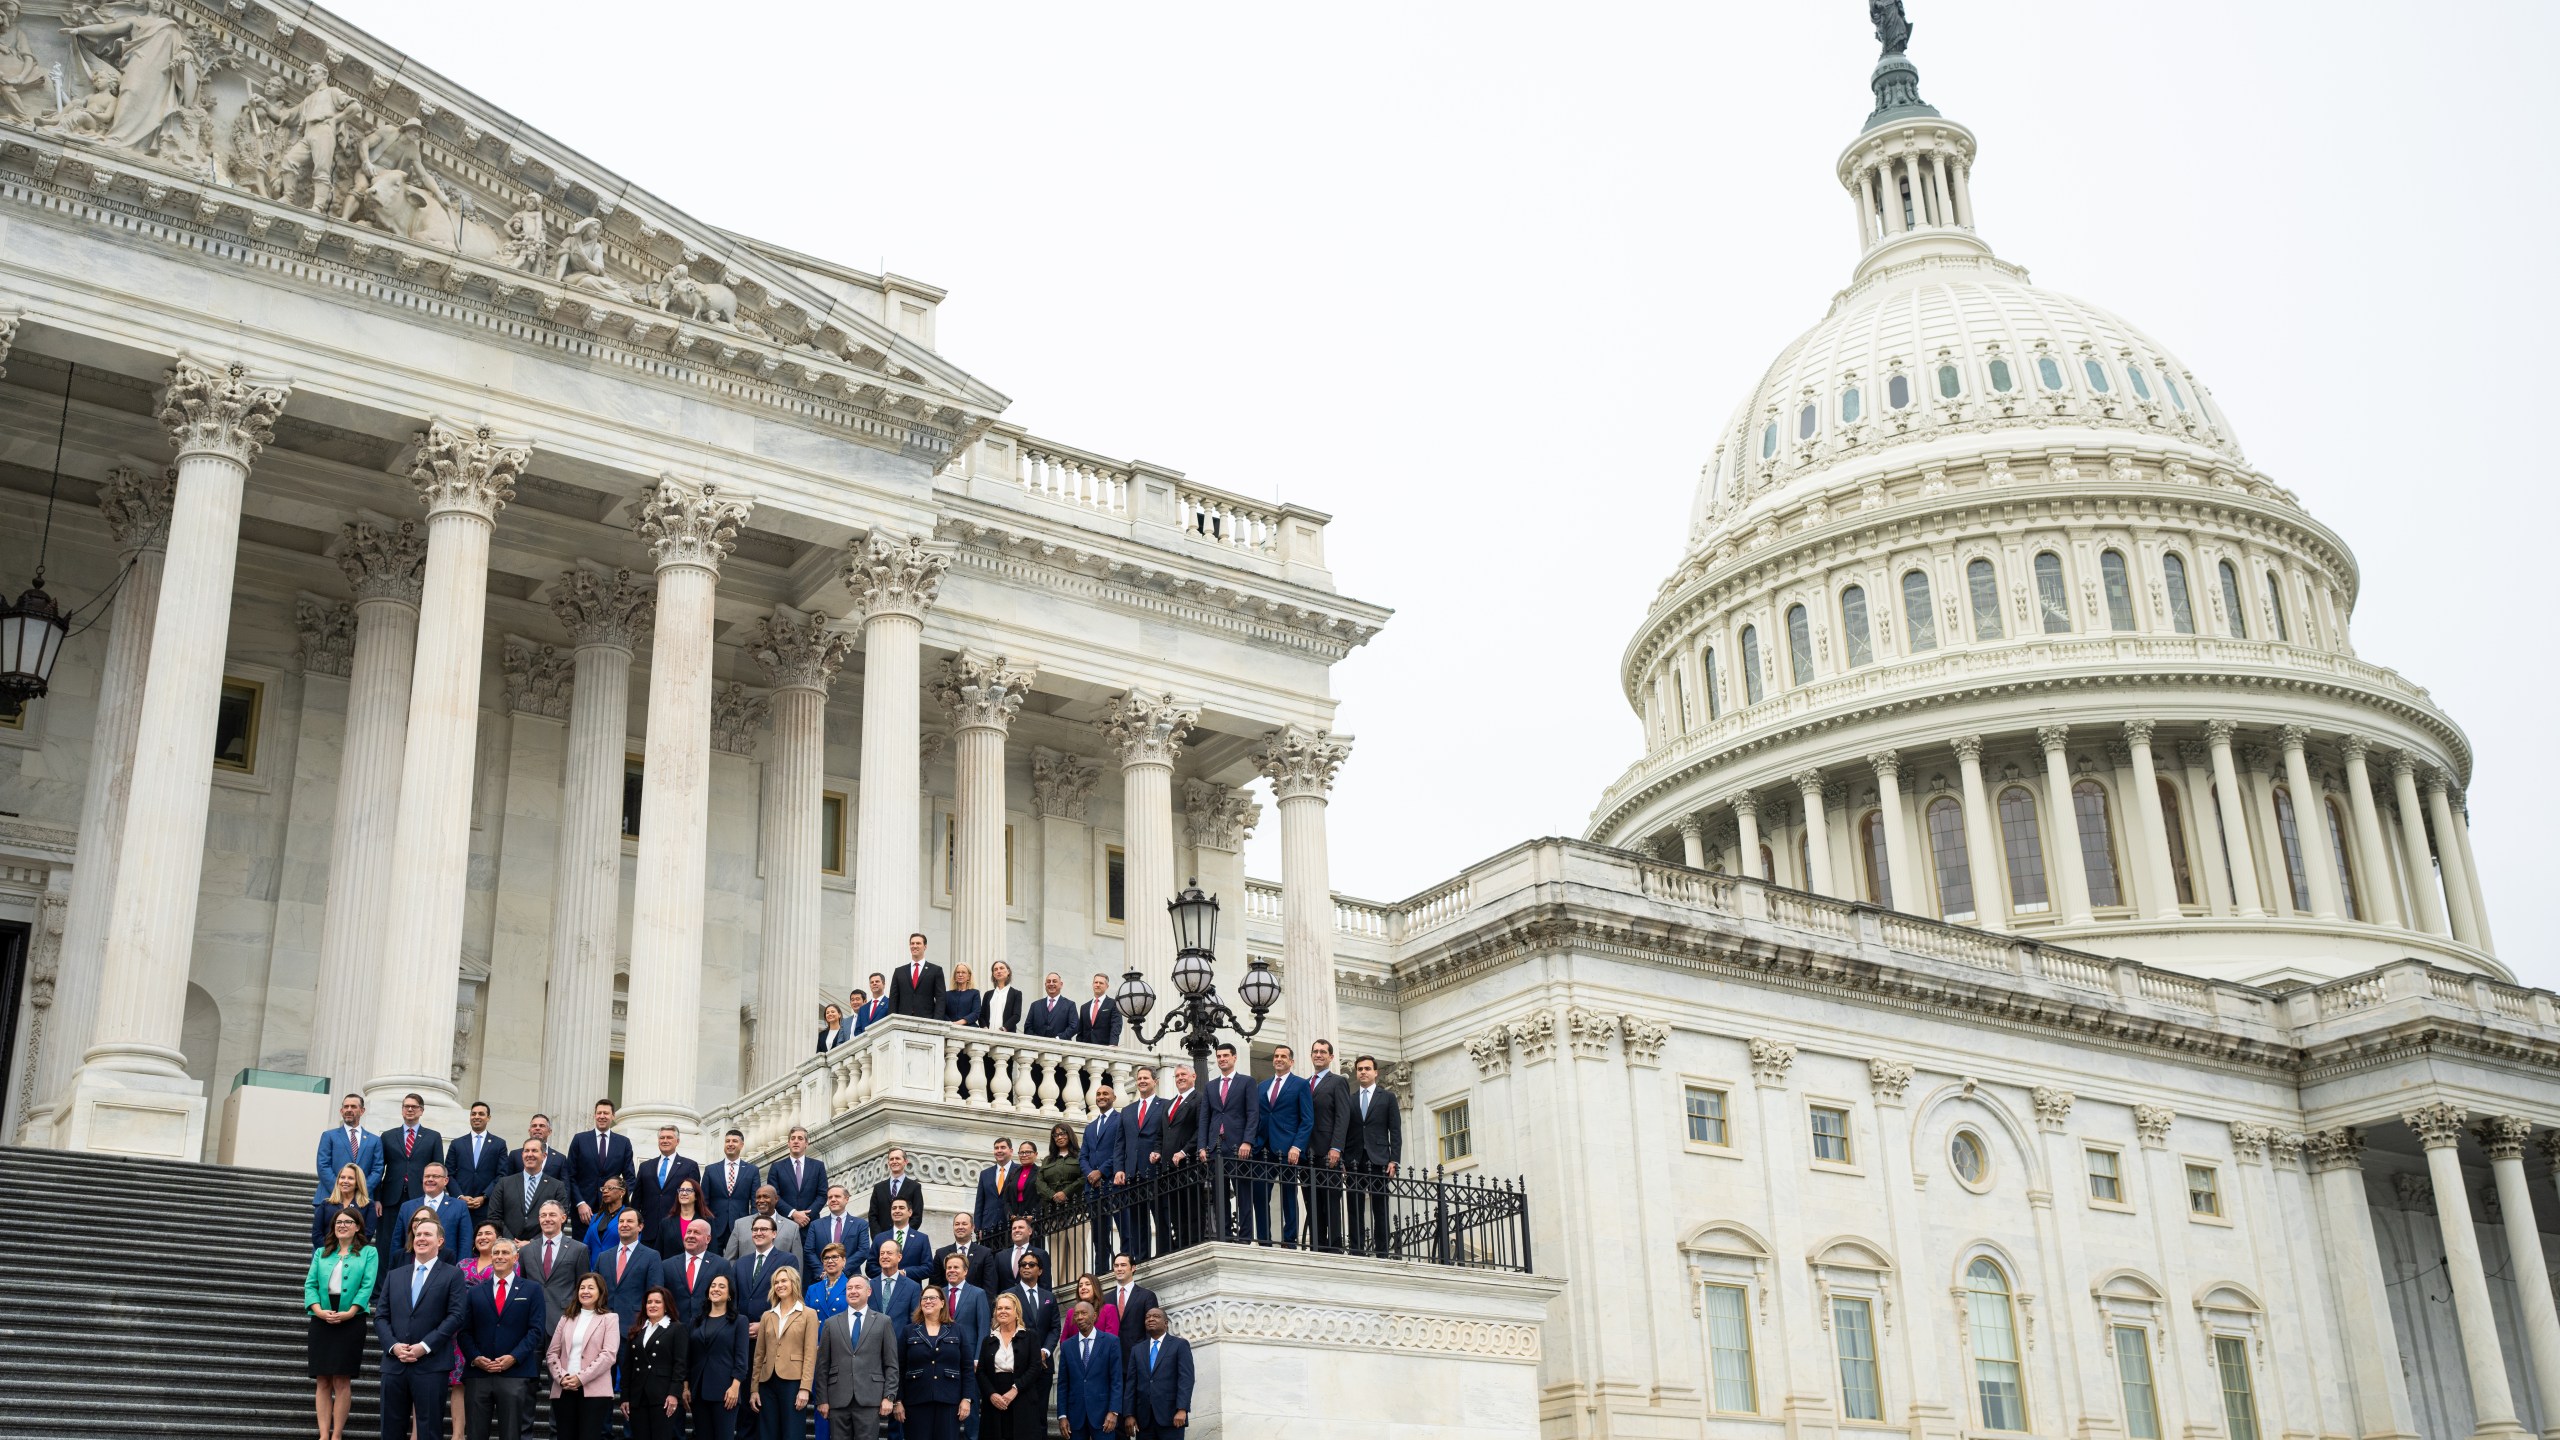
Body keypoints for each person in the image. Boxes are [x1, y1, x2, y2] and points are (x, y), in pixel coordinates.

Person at [378, 1214, 468, 1440]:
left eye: (427, 1234)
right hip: (394, 1363)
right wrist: (393, 1346)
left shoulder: (453, 1274)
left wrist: (425, 1346)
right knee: (390, 1429)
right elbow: (381, 1317)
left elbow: (456, 1316)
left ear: (440, 1241)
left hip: (431, 1364)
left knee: (429, 1430)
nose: (421, 1238)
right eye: (417, 1234)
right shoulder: (394, 1275)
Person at [305, 1205, 378, 1440]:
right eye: (338, 1222)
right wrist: (318, 1310)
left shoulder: (368, 1252)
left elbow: (368, 1285)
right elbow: (311, 1285)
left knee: (342, 1379)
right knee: (323, 1379)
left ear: (357, 1227)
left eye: (347, 1222)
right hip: (321, 1318)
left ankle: (337, 1435)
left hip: (351, 1319)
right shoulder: (322, 1253)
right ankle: (323, 1435)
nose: (342, 1225)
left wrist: (350, 1312)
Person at [460, 1235, 542, 1440]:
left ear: (515, 1258)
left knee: (512, 1434)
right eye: (496, 1253)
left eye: (505, 1252)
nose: (499, 1256)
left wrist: (513, 1358)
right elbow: (464, 1331)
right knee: (476, 1434)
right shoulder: (475, 1292)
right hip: (479, 1374)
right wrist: (475, 1357)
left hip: (514, 1373)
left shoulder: (532, 1290)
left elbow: (536, 1330)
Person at [813, 1274, 899, 1440]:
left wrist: (889, 1396)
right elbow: (823, 1365)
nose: (852, 1291)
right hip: (838, 1398)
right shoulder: (831, 1323)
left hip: (869, 1398)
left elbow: (891, 1364)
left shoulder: (883, 1321)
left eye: (857, 1287)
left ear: (869, 1291)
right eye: (849, 1288)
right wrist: (822, 1399)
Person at [1250, 1044, 1312, 1247]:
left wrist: (1297, 1147)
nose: (1278, 1059)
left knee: (1288, 1194)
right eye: (1276, 1056)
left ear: (1291, 1061)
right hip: (1263, 1147)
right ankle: (1264, 1239)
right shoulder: (1263, 1086)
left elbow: (1307, 1120)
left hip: (1288, 1148)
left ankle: (1290, 1238)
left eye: (1283, 1056)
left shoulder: (1301, 1084)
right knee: (1260, 1195)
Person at [544, 1273, 620, 1440]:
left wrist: (580, 1378)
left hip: (594, 1392)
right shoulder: (566, 1318)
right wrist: (561, 1377)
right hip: (564, 1389)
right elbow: (552, 1353)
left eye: (591, 1288)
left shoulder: (610, 1319)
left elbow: (609, 1355)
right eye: (582, 1288)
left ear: (600, 1292)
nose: (585, 1291)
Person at [1198, 1043, 1260, 1240]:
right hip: (1216, 1146)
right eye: (1219, 1056)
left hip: (1238, 1145)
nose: (1222, 1059)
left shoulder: (1247, 1082)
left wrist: (1248, 1141)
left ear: (1234, 1058)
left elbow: (1252, 1113)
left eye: (1226, 1055)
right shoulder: (1210, 1086)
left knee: (1242, 1192)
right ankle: (1223, 1235)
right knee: (1219, 1194)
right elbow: (1205, 1118)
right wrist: (1202, 1146)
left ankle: (1245, 1236)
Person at [894, 1287, 971, 1440]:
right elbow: (898, 1368)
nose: (928, 1301)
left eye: (933, 1298)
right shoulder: (909, 1331)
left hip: (949, 1401)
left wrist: (966, 1398)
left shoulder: (957, 1330)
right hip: (916, 1400)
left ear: (942, 1303)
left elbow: (967, 1368)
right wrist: (898, 1400)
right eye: (924, 1298)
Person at [751, 1265, 818, 1439]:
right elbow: (759, 1355)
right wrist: (754, 1389)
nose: (779, 1285)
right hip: (767, 1382)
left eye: (784, 1281)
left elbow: (810, 1354)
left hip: (793, 1382)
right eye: (776, 1282)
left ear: (794, 1282)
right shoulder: (767, 1315)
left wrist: (805, 1388)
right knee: (767, 1433)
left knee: (792, 1433)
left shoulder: (808, 1314)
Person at [1344, 1054, 1402, 1258]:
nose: (1363, 1072)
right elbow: (1344, 1130)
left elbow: (1395, 1130)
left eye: (1367, 1069)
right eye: (1359, 1069)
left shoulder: (1387, 1097)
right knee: (1354, 1205)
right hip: (1354, 1158)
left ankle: (1382, 1250)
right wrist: (1343, 1159)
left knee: (1380, 1206)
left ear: (1375, 1072)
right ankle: (1357, 1249)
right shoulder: (1349, 1099)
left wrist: (1394, 1159)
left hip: (1379, 1158)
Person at [380, 1092, 446, 1259]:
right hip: (390, 1198)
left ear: (421, 1110)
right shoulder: (387, 1136)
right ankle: (383, 1283)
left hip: (420, 1198)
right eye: (406, 1106)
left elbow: (438, 1167)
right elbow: (380, 1168)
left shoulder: (433, 1137)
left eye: (414, 1107)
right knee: (386, 1242)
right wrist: (377, 1198)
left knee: (416, 1239)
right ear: (402, 1110)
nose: (410, 1109)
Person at [449, 1222, 500, 1437]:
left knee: (480, 1384)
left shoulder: (506, 1264)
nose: (483, 1237)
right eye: (479, 1234)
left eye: (489, 1233)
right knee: (458, 1383)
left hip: (490, 1328)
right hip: (461, 1329)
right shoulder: (463, 1264)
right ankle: (457, 1434)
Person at [1303, 1039, 1353, 1254]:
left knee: (1331, 1199)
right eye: (1315, 1051)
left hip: (1328, 1150)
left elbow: (1343, 1116)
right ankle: (1317, 1244)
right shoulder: (1304, 1084)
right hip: (1307, 1152)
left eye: (1323, 1052)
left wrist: (1336, 1148)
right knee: (1311, 1200)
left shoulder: (1337, 1082)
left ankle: (1333, 1245)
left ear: (1331, 1057)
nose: (1319, 1055)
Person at [689, 1272, 754, 1440]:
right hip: (698, 1391)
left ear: (730, 1295)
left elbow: (741, 1359)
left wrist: (735, 1387)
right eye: (713, 1286)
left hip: (725, 1391)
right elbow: (689, 1356)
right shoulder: (696, 1321)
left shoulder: (739, 1321)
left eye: (721, 1286)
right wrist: (685, 1386)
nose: (716, 1289)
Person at [974, 1293, 1048, 1440]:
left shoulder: (1030, 1337)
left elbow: (1035, 1367)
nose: (1002, 1311)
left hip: (1023, 1398)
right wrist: (991, 1394)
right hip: (994, 1401)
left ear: (1016, 1312)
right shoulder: (987, 1340)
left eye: (1007, 1308)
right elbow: (981, 1372)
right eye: (999, 1308)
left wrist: (1015, 1389)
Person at [623, 1285, 691, 1440]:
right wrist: (625, 1397)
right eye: (649, 1302)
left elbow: (680, 1365)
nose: (652, 1305)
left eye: (657, 1302)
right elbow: (628, 1367)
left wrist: (674, 1394)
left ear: (666, 1306)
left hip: (663, 1396)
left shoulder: (676, 1329)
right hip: (638, 1396)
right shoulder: (637, 1330)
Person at [1118, 1309, 1190, 1440]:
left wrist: (1182, 1409)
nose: (1150, 1319)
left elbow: (1186, 1379)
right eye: (1147, 1317)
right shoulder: (1137, 1350)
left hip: (1171, 1416)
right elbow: (1131, 1384)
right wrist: (1129, 1414)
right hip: (1144, 1420)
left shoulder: (1179, 1345)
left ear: (1166, 1323)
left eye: (1156, 1316)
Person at [1052, 1301, 1118, 1440]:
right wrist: (1062, 1415)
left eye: (1084, 1313)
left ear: (1094, 1316)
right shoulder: (1067, 1346)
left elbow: (1116, 1380)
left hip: (1103, 1415)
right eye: (1076, 1314)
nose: (1080, 1317)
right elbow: (1063, 1383)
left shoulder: (1111, 1342)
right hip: (1075, 1417)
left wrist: (1114, 1411)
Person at [525, 1200, 590, 1334]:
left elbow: (582, 1286)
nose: (547, 1219)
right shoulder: (526, 1250)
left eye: (552, 1215)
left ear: (563, 1218)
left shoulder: (579, 1249)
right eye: (543, 1215)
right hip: (530, 1322)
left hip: (565, 1321)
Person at [568, 1100, 635, 1227]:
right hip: (583, 1211)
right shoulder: (579, 1140)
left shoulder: (623, 1143)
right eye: (599, 1113)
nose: (602, 1116)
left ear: (613, 1116)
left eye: (606, 1113)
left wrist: (619, 1200)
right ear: (594, 1115)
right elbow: (570, 1175)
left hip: (613, 1211)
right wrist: (579, 1203)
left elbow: (630, 1178)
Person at [1119, 1069, 1163, 1264]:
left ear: (1155, 1081)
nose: (1142, 1081)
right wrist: (1120, 1169)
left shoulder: (1164, 1105)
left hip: (1154, 1168)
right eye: (1139, 1079)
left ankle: (1162, 1253)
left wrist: (1158, 1151)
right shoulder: (1127, 1110)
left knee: (1159, 1214)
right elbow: (1120, 1143)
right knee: (1137, 1218)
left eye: (1146, 1078)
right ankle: (1140, 1257)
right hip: (1132, 1171)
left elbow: (1165, 1135)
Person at [1078, 1082, 1122, 1271]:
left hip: (1112, 1183)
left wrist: (1101, 1171)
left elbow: (1120, 1150)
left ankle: (1125, 1263)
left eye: (1106, 1094)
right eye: (1098, 1094)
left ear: (1114, 1098)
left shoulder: (1120, 1120)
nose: (1101, 1097)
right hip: (1093, 1187)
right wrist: (1089, 1173)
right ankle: (1101, 1268)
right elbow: (1083, 1156)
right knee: (1099, 1232)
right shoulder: (1090, 1127)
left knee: (1122, 1227)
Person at [491, 1137, 570, 1242]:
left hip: (540, 1248)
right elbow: (494, 1216)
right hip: (507, 1247)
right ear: (522, 1155)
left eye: (534, 1151)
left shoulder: (557, 1186)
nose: (529, 1154)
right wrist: (510, 1241)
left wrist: (533, 1242)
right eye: (526, 1151)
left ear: (544, 1156)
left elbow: (560, 1219)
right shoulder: (504, 1183)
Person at [445, 1101, 509, 1229]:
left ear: (488, 1118)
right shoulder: (457, 1144)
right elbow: (448, 1174)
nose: (476, 1117)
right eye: (473, 1114)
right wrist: (460, 1196)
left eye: (481, 1114)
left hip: (487, 1207)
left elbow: (502, 1174)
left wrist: (484, 1196)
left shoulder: (499, 1144)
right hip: (460, 1205)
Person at [315, 1092, 384, 1208]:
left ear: (362, 1111)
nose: (348, 1109)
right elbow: (323, 1165)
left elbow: (377, 1170)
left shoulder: (374, 1140)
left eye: (353, 1106)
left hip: (362, 1201)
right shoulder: (329, 1136)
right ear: (341, 1111)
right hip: (331, 1198)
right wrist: (340, 1190)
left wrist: (360, 1190)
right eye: (346, 1107)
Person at [635, 1125, 703, 1243]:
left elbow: (695, 1198)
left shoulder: (689, 1166)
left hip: (676, 1228)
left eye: (669, 1137)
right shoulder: (645, 1166)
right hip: (648, 1229)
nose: (665, 1141)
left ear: (677, 1141)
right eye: (662, 1138)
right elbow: (637, 1199)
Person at [659, 1218, 731, 1325]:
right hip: (675, 1329)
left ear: (708, 1239)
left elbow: (730, 1300)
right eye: (688, 1232)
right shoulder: (667, 1265)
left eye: (696, 1232)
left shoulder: (721, 1265)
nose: (691, 1236)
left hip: (708, 1329)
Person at [937, 1253, 989, 1403]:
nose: (951, 1270)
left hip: (969, 1358)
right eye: (948, 1267)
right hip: (943, 1357)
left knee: (970, 1404)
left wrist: (978, 1357)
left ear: (965, 1271)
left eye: (956, 1267)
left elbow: (983, 1327)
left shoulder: (978, 1293)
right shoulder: (938, 1294)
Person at [396, 1162, 471, 1265]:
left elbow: (465, 1241)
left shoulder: (459, 1206)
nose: (430, 1179)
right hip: (410, 1269)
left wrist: (461, 1269)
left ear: (446, 1180)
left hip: (448, 1269)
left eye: (435, 1176)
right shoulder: (407, 1207)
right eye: (426, 1176)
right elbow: (397, 1242)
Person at [601, 1207, 664, 1328]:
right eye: (621, 1221)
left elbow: (655, 1292)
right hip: (604, 1324)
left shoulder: (652, 1256)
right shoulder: (603, 1257)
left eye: (629, 1221)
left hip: (634, 1325)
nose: (624, 1225)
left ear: (640, 1227)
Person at [1036, 1125, 1084, 1280]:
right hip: (1053, 1212)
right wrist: (1053, 1196)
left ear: (1069, 1135)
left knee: (1077, 1248)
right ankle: (1059, 1285)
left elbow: (1083, 1178)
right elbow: (1039, 1182)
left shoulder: (1080, 1156)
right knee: (1057, 1252)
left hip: (1076, 1209)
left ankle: (1077, 1281)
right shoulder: (1048, 1160)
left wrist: (1066, 1193)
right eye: (1055, 1135)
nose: (1059, 1137)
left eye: (1063, 1134)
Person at [733, 1216, 796, 1331]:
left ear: (774, 1234)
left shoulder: (787, 1260)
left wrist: (764, 1324)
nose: (758, 1233)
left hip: (772, 1329)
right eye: (755, 1229)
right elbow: (734, 1297)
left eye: (763, 1229)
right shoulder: (740, 1263)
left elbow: (788, 1298)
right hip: (742, 1330)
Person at [806, 1184, 872, 1282]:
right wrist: (823, 1271)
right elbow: (809, 1251)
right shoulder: (815, 1225)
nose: (833, 1199)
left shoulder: (860, 1224)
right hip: (822, 1279)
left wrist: (841, 1270)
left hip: (850, 1279)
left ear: (846, 1199)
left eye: (837, 1196)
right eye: (830, 1197)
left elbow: (863, 1250)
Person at [1100, 1256, 1155, 1372]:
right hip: (1112, 1361)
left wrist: (1147, 1356)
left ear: (1133, 1268)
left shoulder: (1146, 1296)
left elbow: (1152, 1330)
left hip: (1138, 1360)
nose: (1119, 1269)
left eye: (1123, 1265)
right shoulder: (1105, 1299)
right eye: (1116, 1265)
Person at [707, 1129, 763, 1239]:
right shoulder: (711, 1170)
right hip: (714, 1226)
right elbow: (704, 1200)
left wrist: (753, 1224)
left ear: (742, 1145)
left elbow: (755, 1201)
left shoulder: (752, 1170)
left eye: (734, 1141)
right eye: (727, 1141)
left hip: (742, 1226)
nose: (730, 1144)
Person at [728, 1185, 807, 1263]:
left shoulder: (792, 1228)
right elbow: (730, 1258)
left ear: (776, 1199)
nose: (761, 1200)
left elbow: (797, 1262)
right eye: (758, 1197)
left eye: (766, 1196)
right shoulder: (740, 1225)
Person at [970, 1139, 1028, 1243]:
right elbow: (979, 1202)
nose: (999, 1150)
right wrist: (978, 1227)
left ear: (1011, 1151)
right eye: (996, 1148)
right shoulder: (985, 1174)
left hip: (1012, 1226)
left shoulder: (1020, 1170)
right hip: (988, 1227)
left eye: (1002, 1147)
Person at [1006, 1253, 1059, 1363]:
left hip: (1044, 1364)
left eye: (1031, 1264)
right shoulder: (1008, 1295)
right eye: (1023, 1264)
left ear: (1040, 1271)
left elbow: (1055, 1328)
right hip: (1017, 1362)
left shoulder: (1049, 1297)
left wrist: (1045, 1351)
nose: (1026, 1267)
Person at [773, 1127, 830, 1230]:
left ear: (806, 1144)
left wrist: (805, 1217)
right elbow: (774, 1196)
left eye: (800, 1138)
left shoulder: (818, 1166)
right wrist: (793, 1213)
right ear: (788, 1143)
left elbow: (822, 1194)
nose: (796, 1141)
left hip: (811, 1224)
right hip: (784, 1225)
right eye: (793, 1138)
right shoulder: (776, 1167)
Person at [314, 1161, 377, 1248]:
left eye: (350, 1178)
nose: (345, 1181)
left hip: (354, 1254)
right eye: (342, 1177)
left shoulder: (368, 1205)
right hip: (327, 1254)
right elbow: (316, 1234)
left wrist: (347, 1251)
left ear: (358, 1183)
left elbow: (367, 1235)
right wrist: (330, 1250)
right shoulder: (325, 1204)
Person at [931, 1214, 991, 1299]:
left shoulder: (985, 1253)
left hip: (974, 1306)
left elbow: (989, 1287)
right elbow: (935, 1287)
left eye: (964, 1224)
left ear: (972, 1227)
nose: (960, 1227)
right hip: (947, 1307)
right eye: (957, 1224)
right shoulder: (941, 1253)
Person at [889, 933, 946, 1020]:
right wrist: (892, 1019)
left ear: (925, 947)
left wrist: (937, 1020)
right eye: (912, 943)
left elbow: (940, 997)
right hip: (902, 1020)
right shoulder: (899, 971)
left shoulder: (935, 970)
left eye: (918, 943)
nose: (914, 946)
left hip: (927, 1019)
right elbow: (893, 998)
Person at [868, 1149, 924, 1237]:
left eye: (897, 1158)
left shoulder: (914, 1187)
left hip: (904, 1239)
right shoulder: (878, 1188)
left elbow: (917, 1215)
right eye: (891, 1159)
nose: (894, 1161)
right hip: (883, 1240)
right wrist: (878, 1238)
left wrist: (903, 1234)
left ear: (905, 1161)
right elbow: (872, 1216)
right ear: (888, 1162)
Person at [873, 1199, 930, 1284]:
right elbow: (870, 1267)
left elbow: (928, 1268)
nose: (897, 1211)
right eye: (894, 1208)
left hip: (911, 1290)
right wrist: (889, 1273)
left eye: (901, 1208)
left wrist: (904, 1272)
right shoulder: (879, 1238)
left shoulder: (921, 1238)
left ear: (910, 1212)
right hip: (884, 1287)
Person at [658, 1176, 715, 1256]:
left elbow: (713, 1251)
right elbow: (659, 1251)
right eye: (681, 1190)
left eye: (688, 1190)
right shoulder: (666, 1222)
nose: (684, 1193)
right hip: (671, 1267)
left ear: (696, 1196)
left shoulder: (707, 1221)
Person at [867, 1239, 918, 1324]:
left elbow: (915, 1319)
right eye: (882, 1253)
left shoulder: (912, 1287)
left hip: (899, 1336)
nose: (884, 1256)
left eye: (889, 1253)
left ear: (899, 1257)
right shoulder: (869, 1285)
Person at [582, 1176, 635, 1256]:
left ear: (622, 1192)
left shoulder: (630, 1217)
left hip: (616, 1266)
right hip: (593, 1267)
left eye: (610, 1188)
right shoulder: (595, 1217)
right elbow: (586, 1246)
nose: (605, 1191)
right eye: (603, 1189)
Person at [1074, 974, 1121, 1049]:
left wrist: (1113, 1044)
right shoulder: (1084, 1007)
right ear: (1092, 985)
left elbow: (1116, 1026)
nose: (1098, 985)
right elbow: (1080, 1031)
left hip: (1105, 1048)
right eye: (1096, 982)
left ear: (1107, 986)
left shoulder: (1114, 1004)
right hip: (1085, 1049)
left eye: (1101, 983)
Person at [940, 963, 982, 1029]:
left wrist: (959, 1023)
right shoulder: (947, 994)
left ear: (969, 976)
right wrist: (951, 1023)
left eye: (963, 972)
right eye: (958, 972)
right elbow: (942, 1012)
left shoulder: (975, 993)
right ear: (954, 976)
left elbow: (976, 1013)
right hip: (949, 1028)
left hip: (969, 1029)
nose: (960, 975)